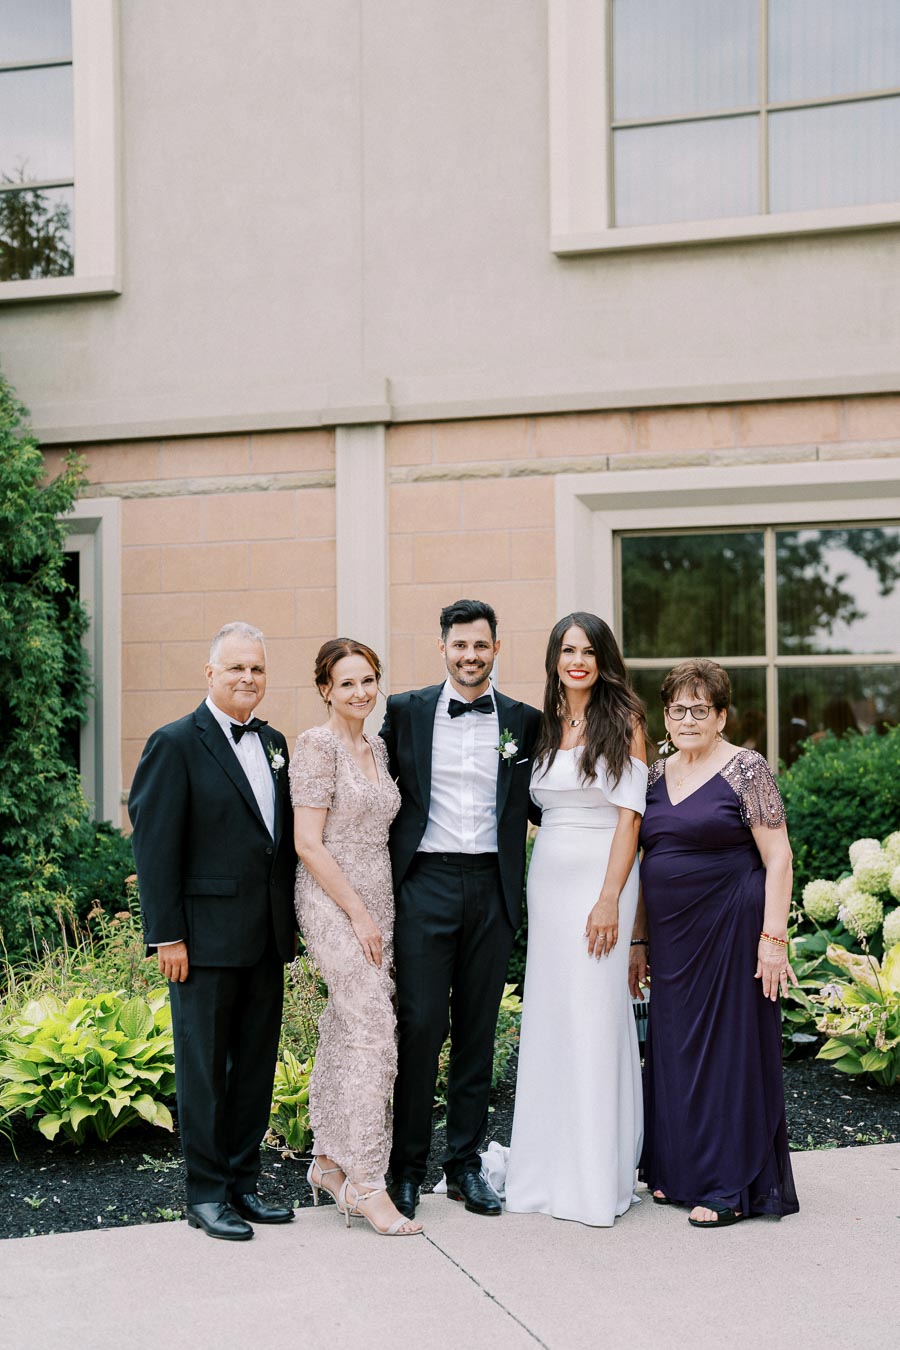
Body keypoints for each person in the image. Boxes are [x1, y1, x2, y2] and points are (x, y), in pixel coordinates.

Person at [128, 621, 297, 1241]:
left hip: (265, 939)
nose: (247, 678)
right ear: (210, 674)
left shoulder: (276, 741)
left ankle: (243, 1183)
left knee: (254, 1066)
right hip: (200, 941)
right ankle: (205, 1194)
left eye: (256, 668)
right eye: (235, 669)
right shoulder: (174, 743)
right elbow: (155, 846)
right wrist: (166, 934)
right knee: (203, 1069)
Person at [380, 599, 541, 1220]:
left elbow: (547, 800)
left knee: (478, 1029)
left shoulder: (524, 722)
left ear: (496, 648)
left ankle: (465, 1164)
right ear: (442, 647)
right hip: (426, 884)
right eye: (459, 645)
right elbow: (377, 793)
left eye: (481, 645)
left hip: (493, 890)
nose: (470, 656)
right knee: (420, 1027)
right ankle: (408, 1168)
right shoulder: (405, 711)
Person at [639, 658, 800, 1228]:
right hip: (673, 941)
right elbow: (645, 858)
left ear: (721, 716)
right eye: (677, 709)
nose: (687, 719)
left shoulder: (746, 769)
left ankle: (728, 1185)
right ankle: (678, 1171)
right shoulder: (655, 774)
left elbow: (778, 856)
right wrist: (639, 940)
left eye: (699, 709)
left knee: (728, 1052)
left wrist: (772, 938)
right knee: (676, 1047)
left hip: (732, 930)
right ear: (666, 716)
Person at [504, 613, 649, 1226]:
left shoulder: (627, 722)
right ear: (554, 659)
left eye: (589, 651)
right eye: (568, 650)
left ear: (604, 658)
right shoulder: (542, 727)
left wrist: (610, 896)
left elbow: (631, 818)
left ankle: (595, 1176)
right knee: (552, 1015)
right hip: (551, 879)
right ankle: (545, 1169)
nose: (578, 661)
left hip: (600, 878)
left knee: (593, 1016)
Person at [290, 639, 421, 1237]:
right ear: (326, 689)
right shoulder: (317, 747)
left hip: (380, 899)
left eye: (369, 680)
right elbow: (308, 844)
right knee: (373, 1031)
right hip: (332, 899)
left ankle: (326, 1163)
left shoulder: (377, 746)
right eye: (347, 683)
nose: (361, 692)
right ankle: (368, 1182)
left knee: (347, 1026)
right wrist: (358, 915)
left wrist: (377, 911)